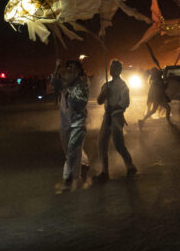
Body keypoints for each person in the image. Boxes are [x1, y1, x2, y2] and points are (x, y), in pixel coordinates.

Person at [94, 60, 137, 183]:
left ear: (119, 70)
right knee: (102, 144)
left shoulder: (123, 85)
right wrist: (104, 93)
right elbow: (99, 101)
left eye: (115, 68)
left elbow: (125, 103)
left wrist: (112, 108)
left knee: (118, 145)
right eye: (111, 68)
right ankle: (105, 172)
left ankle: (130, 166)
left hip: (117, 117)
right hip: (107, 117)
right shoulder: (106, 85)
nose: (112, 70)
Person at [51, 59, 90, 192]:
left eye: (74, 68)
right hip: (65, 124)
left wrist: (71, 95)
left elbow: (80, 105)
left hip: (77, 124)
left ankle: (71, 179)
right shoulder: (64, 84)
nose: (71, 70)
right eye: (68, 68)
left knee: (73, 151)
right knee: (69, 152)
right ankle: (84, 164)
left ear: (78, 71)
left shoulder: (82, 85)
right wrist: (57, 67)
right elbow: (53, 83)